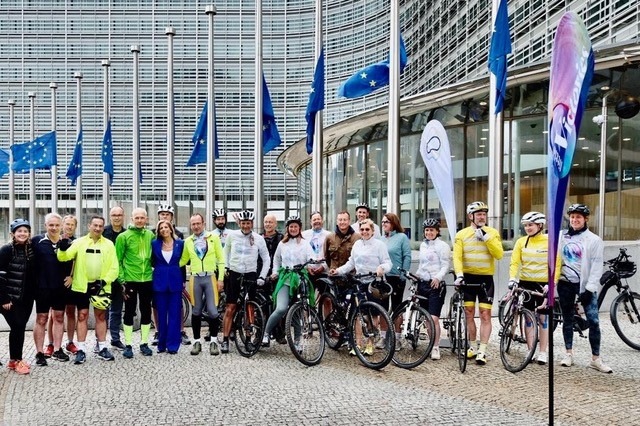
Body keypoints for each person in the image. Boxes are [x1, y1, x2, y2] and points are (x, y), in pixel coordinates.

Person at [57, 216, 119, 364]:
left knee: (101, 316)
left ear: (103, 228)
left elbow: (114, 267)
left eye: (100, 226)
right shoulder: (79, 242)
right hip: (82, 286)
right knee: (82, 316)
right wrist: (62, 247)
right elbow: (64, 257)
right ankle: (81, 349)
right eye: (95, 225)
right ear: (89, 225)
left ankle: (103, 347)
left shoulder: (109, 244)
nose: (97, 228)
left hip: (101, 286)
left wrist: (104, 281)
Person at [558, 203, 612, 373]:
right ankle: (568, 353)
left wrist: (589, 289)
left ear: (585, 219)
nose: (575, 220)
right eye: (572, 217)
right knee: (567, 319)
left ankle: (596, 359)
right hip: (565, 282)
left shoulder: (594, 240)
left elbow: (597, 265)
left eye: (578, 217)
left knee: (594, 321)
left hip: (584, 284)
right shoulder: (561, 236)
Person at [330, 218, 392, 355]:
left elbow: (388, 263)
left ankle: (370, 344)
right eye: (362, 229)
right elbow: (351, 263)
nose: (364, 232)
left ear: (373, 231)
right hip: (359, 282)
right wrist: (338, 270)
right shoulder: (357, 244)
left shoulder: (379, 245)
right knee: (357, 314)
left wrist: (381, 268)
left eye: (367, 229)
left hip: (374, 283)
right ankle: (358, 344)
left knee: (373, 314)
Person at [453, 201, 503, 365]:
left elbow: (499, 254)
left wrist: (486, 237)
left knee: (485, 314)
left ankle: (482, 350)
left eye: (484, 214)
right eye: (479, 214)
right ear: (470, 216)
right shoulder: (462, 234)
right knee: (468, 312)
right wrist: (459, 275)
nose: (482, 217)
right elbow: (457, 257)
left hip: (485, 280)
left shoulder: (492, 232)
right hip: (467, 278)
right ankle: (473, 346)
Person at [263, 216, 315, 349]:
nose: (293, 229)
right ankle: (266, 333)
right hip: (285, 278)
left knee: (297, 311)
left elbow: (311, 257)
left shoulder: (304, 243)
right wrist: (275, 272)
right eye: (291, 226)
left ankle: (297, 341)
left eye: (295, 226)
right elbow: (276, 259)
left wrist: (313, 263)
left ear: (299, 228)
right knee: (281, 308)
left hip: (299, 278)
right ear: (287, 228)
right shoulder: (282, 243)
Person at [509, 212, 552, 365]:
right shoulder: (521, 242)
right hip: (526, 283)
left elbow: (556, 263)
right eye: (526, 225)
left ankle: (542, 352)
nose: (527, 228)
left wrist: (551, 283)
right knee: (528, 318)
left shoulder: (549, 241)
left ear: (540, 225)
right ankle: (530, 350)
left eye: (531, 225)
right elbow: (514, 262)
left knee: (543, 319)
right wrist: (512, 278)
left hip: (543, 285)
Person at [224, 210, 270, 353]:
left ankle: (248, 339)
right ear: (239, 223)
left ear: (252, 223)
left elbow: (266, 258)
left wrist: (262, 276)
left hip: (250, 273)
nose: (246, 226)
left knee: (249, 307)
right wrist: (226, 267)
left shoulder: (258, 238)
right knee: (231, 307)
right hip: (234, 272)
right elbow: (225, 252)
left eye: (248, 223)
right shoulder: (232, 236)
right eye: (243, 223)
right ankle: (225, 339)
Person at [180, 213, 225, 355]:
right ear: (190, 225)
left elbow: (221, 259)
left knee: (212, 311)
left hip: (210, 277)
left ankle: (213, 341)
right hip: (195, 279)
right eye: (193, 224)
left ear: (203, 223)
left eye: (198, 223)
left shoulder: (214, 238)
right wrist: (166, 264)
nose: (196, 226)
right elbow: (183, 260)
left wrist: (221, 278)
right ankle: (197, 342)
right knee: (196, 311)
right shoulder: (188, 241)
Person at [115, 207, 154, 358]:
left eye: (142, 218)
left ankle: (144, 343)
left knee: (146, 311)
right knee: (129, 312)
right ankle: (129, 345)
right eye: (136, 218)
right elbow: (117, 260)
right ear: (131, 219)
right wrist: (122, 280)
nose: (139, 220)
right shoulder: (123, 237)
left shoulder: (150, 235)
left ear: (146, 219)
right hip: (130, 281)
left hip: (147, 279)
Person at [31, 213, 70, 365]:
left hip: (60, 288)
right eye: (51, 225)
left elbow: (74, 261)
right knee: (42, 319)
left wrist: (71, 276)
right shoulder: (37, 241)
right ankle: (40, 353)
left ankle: (58, 349)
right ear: (45, 225)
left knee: (59, 317)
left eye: (56, 225)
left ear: (61, 226)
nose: (54, 228)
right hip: (42, 287)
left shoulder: (67, 242)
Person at [0, 219, 36, 374]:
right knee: (17, 326)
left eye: (25, 231)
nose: (22, 234)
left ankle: (14, 360)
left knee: (19, 327)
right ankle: (16, 360)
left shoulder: (30, 250)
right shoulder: (6, 250)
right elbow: (0, 276)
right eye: (19, 231)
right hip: (8, 298)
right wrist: (4, 299)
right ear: (13, 233)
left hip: (25, 299)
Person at [152, 203, 190, 346]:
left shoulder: (180, 240)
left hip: (175, 279)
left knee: (175, 310)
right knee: (159, 309)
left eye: (167, 215)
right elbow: (151, 260)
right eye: (162, 214)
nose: (164, 217)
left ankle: (175, 340)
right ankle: (160, 336)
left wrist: (183, 278)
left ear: (171, 219)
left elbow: (183, 260)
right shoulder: (154, 241)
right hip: (160, 281)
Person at [414, 219, 450, 360]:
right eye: (427, 230)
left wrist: (438, 277)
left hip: (436, 285)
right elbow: (422, 264)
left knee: (433, 318)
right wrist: (417, 274)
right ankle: (430, 344)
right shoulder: (423, 245)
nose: (429, 233)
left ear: (437, 231)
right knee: (427, 319)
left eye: (432, 230)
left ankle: (436, 347)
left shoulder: (443, 246)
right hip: (423, 284)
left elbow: (445, 265)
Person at [380, 212, 412, 351]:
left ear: (393, 223)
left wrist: (403, 275)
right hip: (383, 277)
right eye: (382, 222)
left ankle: (397, 339)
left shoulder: (401, 237)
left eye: (386, 222)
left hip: (396, 277)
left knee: (397, 308)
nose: (384, 224)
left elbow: (407, 256)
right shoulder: (381, 239)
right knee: (382, 307)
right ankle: (383, 338)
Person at [103, 206, 127, 351]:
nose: (117, 217)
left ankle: (115, 339)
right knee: (102, 312)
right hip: (104, 278)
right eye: (114, 215)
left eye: (119, 215)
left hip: (119, 278)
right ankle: (100, 341)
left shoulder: (126, 234)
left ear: (123, 216)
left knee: (116, 311)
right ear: (110, 217)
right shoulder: (103, 232)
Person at [60, 214, 79, 355]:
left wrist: (72, 277)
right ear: (62, 225)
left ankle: (70, 341)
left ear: (75, 226)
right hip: (56, 281)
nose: (69, 227)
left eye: (72, 224)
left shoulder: (78, 242)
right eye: (67, 224)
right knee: (54, 314)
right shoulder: (57, 240)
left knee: (71, 312)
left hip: (71, 280)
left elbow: (77, 261)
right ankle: (52, 343)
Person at [301, 211, 330, 294]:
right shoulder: (303, 235)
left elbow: (331, 254)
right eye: (314, 219)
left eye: (318, 219)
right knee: (309, 296)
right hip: (309, 271)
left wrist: (323, 267)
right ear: (310, 222)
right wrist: (307, 267)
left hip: (324, 270)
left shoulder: (329, 235)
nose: (316, 221)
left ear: (322, 220)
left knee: (326, 297)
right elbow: (301, 253)